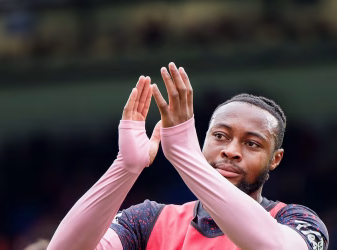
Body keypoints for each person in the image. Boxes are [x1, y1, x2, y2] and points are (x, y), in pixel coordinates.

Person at [47, 62, 329, 250]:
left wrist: (186, 158)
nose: (230, 151)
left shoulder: (297, 220)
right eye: (220, 136)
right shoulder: (147, 220)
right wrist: (125, 167)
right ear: (203, 139)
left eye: (252, 144)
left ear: (275, 159)